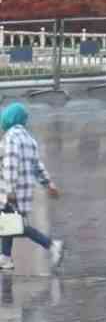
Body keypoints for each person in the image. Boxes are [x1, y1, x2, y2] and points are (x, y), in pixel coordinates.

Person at [0, 103, 64, 271]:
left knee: (15, 225)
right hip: (25, 192)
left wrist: (10, 190)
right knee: (9, 223)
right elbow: (38, 166)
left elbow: (10, 164)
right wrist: (49, 184)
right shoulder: (30, 140)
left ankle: (51, 245)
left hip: (11, 191)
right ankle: (5, 258)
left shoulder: (11, 137)